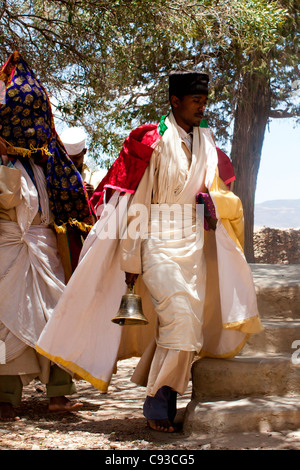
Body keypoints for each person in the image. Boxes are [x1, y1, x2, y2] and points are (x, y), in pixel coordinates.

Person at [37, 70, 263, 433]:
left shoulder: (206, 141)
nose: (201, 107)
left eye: (205, 101)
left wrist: (215, 202)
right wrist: (131, 260)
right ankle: (157, 404)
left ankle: (164, 396)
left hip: (194, 245)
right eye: (195, 101)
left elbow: (220, 190)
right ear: (175, 102)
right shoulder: (151, 139)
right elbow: (137, 203)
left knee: (185, 328)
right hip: (158, 241)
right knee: (183, 324)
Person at [0, 51, 93, 421]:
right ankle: (6, 398)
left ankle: (59, 394)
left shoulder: (50, 161)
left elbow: (69, 206)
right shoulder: (8, 161)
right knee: (7, 321)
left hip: (43, 247)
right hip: (7, 246)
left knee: (57, 314)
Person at [60, 127, 107, 198]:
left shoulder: (96, 175)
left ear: (84, 152)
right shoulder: (55, 173)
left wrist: (93, 196)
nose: (72, 162)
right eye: (68, 158)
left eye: (76, 157)